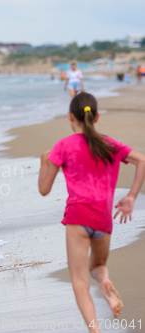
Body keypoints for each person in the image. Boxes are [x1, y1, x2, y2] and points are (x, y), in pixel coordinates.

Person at [38, 92, 145, 333]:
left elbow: (44, 189)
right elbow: (142, 161)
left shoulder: (63, 146)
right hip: (103, 219)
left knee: (79, 281)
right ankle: (105, 282)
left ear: (70, 117)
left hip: (78, 218)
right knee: (97, 267)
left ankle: (94, 329)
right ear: (96, 117)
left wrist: (44, 163)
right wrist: (131, 197)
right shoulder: (110, 144)